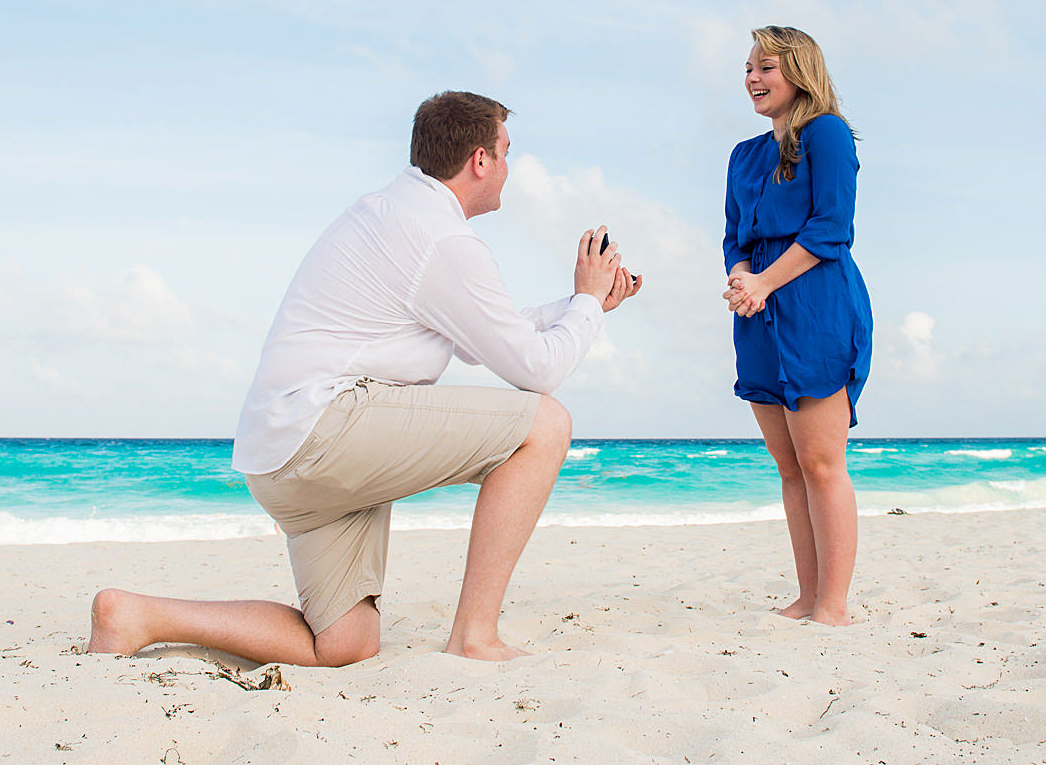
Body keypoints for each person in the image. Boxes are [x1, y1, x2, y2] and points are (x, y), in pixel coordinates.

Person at [87, 91, 643, 666]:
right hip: (324, 430)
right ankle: (475, 636)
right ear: (480, 160)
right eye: (506, 151)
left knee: (345, 645)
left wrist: (588, 305)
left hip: (280, 453)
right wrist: (585, 304)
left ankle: (137, 615)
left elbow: (489, 336)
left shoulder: (393, 212)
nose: (510, 167)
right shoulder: (442, 240)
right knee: (545, 425)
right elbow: (537, 368)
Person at [721, 26, 872, 626]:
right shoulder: (743, 153)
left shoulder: (827, 135)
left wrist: (763, 282)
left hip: (813, 303)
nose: (753, 79)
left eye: (767, 68)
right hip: (756, 312)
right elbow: (734, 234)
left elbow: (832, 227)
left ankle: (832, 604)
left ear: (799, 73)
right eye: (749, 69)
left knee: (822, 462)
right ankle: (807, 596)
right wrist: (741, 279)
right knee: (789, 467)